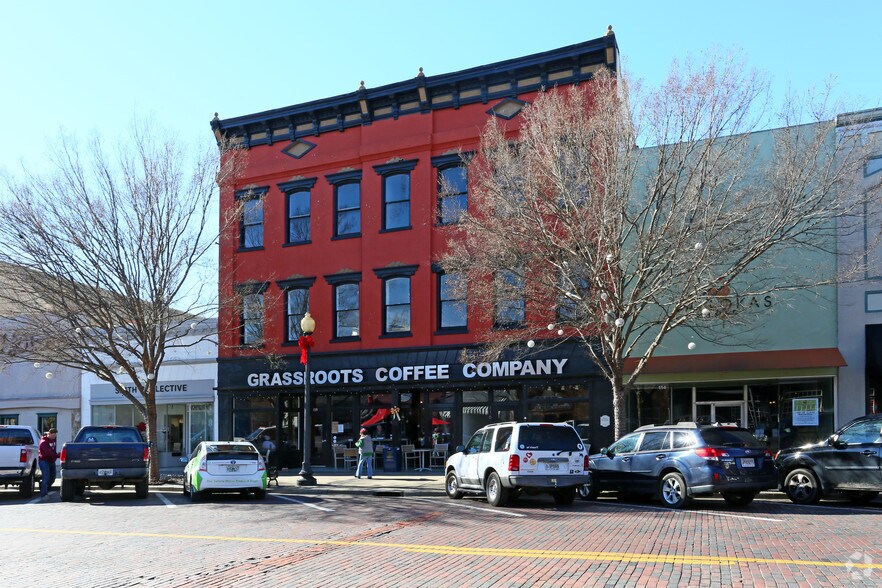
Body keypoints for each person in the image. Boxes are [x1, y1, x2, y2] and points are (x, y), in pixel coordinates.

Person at [38, 428, 60, 499]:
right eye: (53, 435)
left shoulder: (52, 441)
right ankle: (43, 494)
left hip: (51, 461)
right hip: (44, 461)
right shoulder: (44, 442)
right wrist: (58, 455)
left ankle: (45, 488)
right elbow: (49, 453)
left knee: (52, 477)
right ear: (49, 434)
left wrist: (57, 454)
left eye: (55, 435)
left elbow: (52, 451)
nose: (54, 437)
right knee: (46, 477)